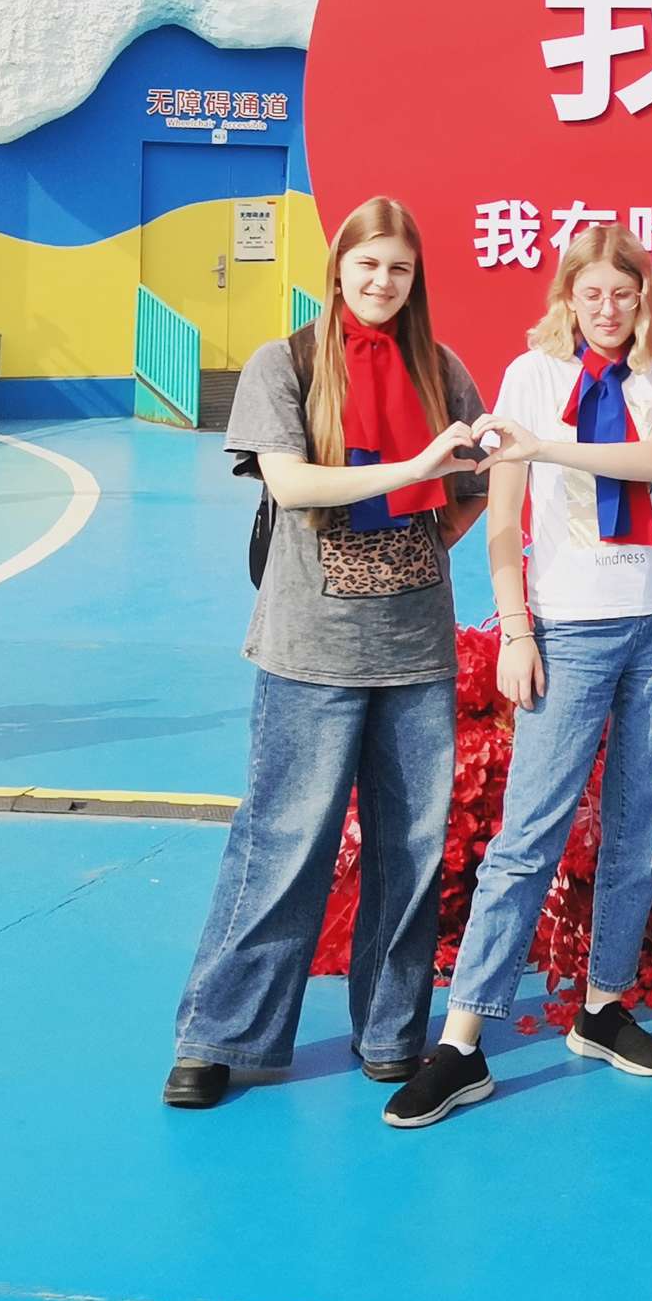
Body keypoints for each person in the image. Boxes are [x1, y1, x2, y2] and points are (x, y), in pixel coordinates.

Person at [167, 197, 501, 1109]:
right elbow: (291, 481)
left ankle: (390, 1029)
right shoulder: (285, 363)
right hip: (308, 647)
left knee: (410, 848)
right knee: (281, 840)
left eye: (399, 268)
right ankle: (218, 1035)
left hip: (414, 647)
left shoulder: (442, 369)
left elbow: (474, 482)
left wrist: (434, 528)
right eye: (368, 264)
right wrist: (414, 471)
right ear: (339, 268)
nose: (382, 281)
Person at [389, 223, 652, 1129]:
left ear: (644, 298)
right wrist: (515, 628)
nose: (608, 308)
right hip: (568, 628)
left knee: (639, 826)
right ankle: (462, 1042)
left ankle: (603, 1005)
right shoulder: (529, 378)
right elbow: (502, 519)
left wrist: (542, 448)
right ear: (567, 296)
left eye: (624, 292)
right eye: (591, 292)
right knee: (527, 832)